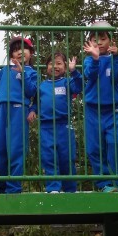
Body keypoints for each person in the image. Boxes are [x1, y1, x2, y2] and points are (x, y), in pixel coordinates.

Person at [0, 36, 37, 193]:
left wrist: (22, 73)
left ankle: (14, 188)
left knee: (16, 149)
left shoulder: (31, 72)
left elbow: (32, 91)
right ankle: (3, 186)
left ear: (31, 53)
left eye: (23, 49)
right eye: (15, 50)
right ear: (12, 55)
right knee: (0, 149)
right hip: (1, 110)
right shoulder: (5, 70)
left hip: (18, 110)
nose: (19, 52)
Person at [83, 21, 118, 192]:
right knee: (94, 148)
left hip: (112, 109)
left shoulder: (116, 60)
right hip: (93, 109)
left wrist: (115, 58)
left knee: (114, 142)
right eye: (95, 40)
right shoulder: (89, 60)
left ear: (110, 41)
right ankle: (104, 184)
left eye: (103, 39)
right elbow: (90, 74)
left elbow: (117, 78)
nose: (99, 43)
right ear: (90, 43)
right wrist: (95, 58)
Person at [31, 52, 82, 193]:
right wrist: (32, 110)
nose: (55, 66)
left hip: (64, 125)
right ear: (46, 67)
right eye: (51, 63)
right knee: (49, 157)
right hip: (46, 126)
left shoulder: (67, 82)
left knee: (67, 157)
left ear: (65, 66)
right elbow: (36, 103)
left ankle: (70, 189)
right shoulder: (42, 86)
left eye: (59, 63)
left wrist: (74, 71)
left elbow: (79, 87)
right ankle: (53, 187)